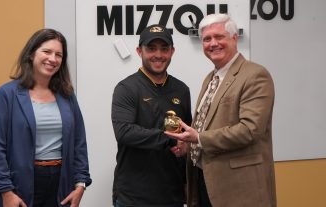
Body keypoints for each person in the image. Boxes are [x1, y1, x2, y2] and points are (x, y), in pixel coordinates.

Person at [165, 14, 277, 207]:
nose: (213, 43)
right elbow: (207, 126)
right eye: (207, 39)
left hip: (239, 187)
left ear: (234, 38)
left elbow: (250, 130)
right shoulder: (210, 78)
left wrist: (198, 139)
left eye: (219, 37)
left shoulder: (255, 75)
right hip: (204, 181)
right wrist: (189, 145)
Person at [0, 28, 92, 207]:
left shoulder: (67, 95)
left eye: (59, 54)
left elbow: (79, 142)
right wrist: (5, 191)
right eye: (47, 51)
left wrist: (81, 184)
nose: (53, 59)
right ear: (31, 54)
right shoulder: (6, 94)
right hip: (19, 186)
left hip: (61, 183)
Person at [111, 24, 192, 207]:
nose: (158, 54)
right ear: (140, 51)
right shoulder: (126, 88)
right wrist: (170, 140)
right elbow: (124, 132)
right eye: (151, 48)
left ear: (172, 51)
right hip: (133, 197)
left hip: (173, 195)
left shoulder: (182, 90)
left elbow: (185, 136)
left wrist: (187, 182)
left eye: (164, 49)